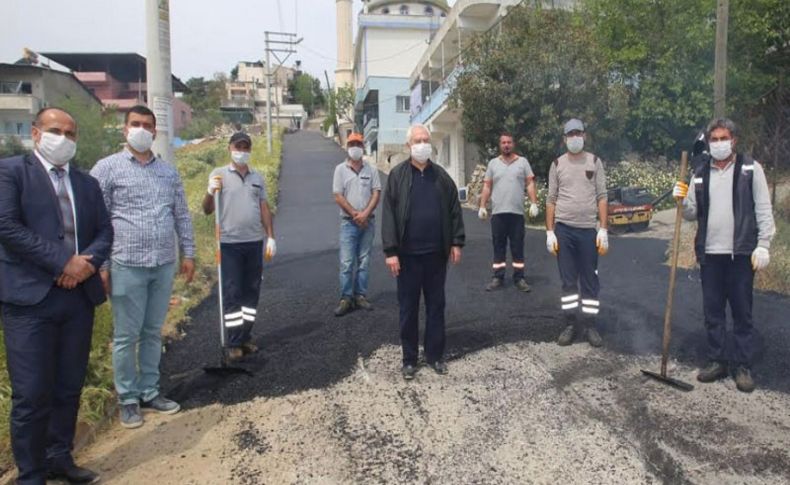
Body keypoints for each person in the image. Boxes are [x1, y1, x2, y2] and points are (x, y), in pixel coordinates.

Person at [0, 107, 112, 484]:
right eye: (54, 130)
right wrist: (64, 263)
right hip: (30, 301)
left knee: (68, 385)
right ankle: (30, 474)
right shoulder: (12, 173)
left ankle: (58, 457)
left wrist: (86, 264)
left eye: (70, 132)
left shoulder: (86, 183)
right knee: (31, 394)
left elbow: (105, 233)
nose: (62, 138)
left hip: (77, 298)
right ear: (35, 133)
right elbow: (7, 227)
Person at [90, 105, 196, 429]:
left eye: (147, 125)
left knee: (152, 332)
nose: (141, 129)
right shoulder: (106, 169)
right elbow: (98, 220)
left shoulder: (167, 172)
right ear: (125, 130)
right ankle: (128, 399)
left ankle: (150, 390)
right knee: (126, 336)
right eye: (135, 124)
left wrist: (188, 254)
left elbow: (181, 214)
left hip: (162, 263)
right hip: (126, 264)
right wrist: (103, 264)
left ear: (154, 132)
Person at [673, 117, 775, 393]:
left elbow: (763, 209)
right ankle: (718, 360)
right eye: (714, 139)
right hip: (710, 254)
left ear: (734, 140)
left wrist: (763, 243)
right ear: (708, 143)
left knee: (742, 313)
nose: (719, 144)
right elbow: (692, 214)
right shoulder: (700, 172)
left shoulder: (751, 169)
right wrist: (681, 199)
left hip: (740, 253)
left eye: (723, 138)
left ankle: (741, 365)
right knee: (713, 312)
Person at [381, 124, 465, 380]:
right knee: (408, 309)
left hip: (436, 256)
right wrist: (391, 251)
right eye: (417, 140)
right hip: (407, 258)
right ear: (408, 146)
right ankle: (409, 359)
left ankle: (435, 356)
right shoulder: (397, 176)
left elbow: (454, 210)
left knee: (436, 306)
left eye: (426, 140)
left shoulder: (441, 177)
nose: (422, 144)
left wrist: (456, 242)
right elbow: (389, 217)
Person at [203, 132, 276, 360]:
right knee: (233, 292)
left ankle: (246, 336)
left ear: (250, 150)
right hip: (229, 243)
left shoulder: (257, 178)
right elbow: (207, 209)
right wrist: (209, 191)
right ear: (230, 148)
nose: (241, 150)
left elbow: (263, 207)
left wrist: (270, 236)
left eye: (246, 147)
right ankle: (233, 341)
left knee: (251, 292)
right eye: (238, 146)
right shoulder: (219, 175)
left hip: (254, 242)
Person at [545, 118, 608, 348]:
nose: (574, 138)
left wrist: (603, 229)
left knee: (590, 280)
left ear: (585, 135)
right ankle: (570, 324)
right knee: (568, 281)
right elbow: (551, 199)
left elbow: (602, 196)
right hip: (564, 231)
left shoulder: (594, 161)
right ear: (564, 139)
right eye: (570, 134)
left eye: (578, 133)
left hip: (588, 232)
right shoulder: (557, 164)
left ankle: (590, 325)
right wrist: (550, 232)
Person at [478, 132, 540, 292]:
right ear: (500, 145)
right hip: (498, 214)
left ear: (513, 144)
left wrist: (534, 203)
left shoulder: (523, 162)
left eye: (509, 142)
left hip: (517, 215)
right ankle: (498, 277)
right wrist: (482, 205)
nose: (506, 145)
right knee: (498, 246)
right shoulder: (493, 164)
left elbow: (530, 183)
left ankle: (519, 278)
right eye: (503, 142)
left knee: (517, 247)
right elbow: (487, 186)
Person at [332, 132, 381, 316]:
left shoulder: (371, 170)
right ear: (347, 146)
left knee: (364, 260)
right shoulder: (340, 170)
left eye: (358, 144)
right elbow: (338, 195)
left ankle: (360, 295)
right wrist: (355, 214)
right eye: (352, 143)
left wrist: (365, 214)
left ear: (363, 147)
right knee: (346, 262)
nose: (355, 147)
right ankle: (346, 298)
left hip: (368, 222)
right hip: (348, 223)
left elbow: (376, 193)